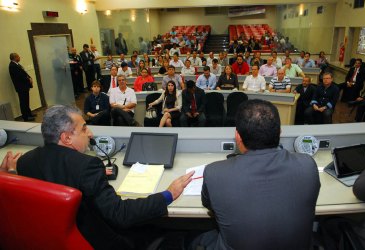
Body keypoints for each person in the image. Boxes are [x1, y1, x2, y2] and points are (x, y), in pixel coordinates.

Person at [16, 104, 194, 249]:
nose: (90, 133)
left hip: (53, 240)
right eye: (84, 129)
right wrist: (168, 194)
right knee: (164, 233)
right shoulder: (86, 166)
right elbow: (120, 214)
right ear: (67, 138)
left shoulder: (24, 162)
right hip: (99, 242)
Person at [191, 99, 320, 250]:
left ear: (237, 137)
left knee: (195, 240)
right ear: (280, 132)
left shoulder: (214, 172)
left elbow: (208, 205)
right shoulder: (307, 165)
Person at [9, 52, 35, 121]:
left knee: (26, 101)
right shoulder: (12, 66)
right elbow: (19, 77)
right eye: (18, 56)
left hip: (24, 86)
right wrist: (28, 79)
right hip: (21, 87)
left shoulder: (17, 65)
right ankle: (25, 117)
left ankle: (29, 114)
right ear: (15, 58)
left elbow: (24, 73)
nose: (19, 57)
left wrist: (29, 77)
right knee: (23, 102)